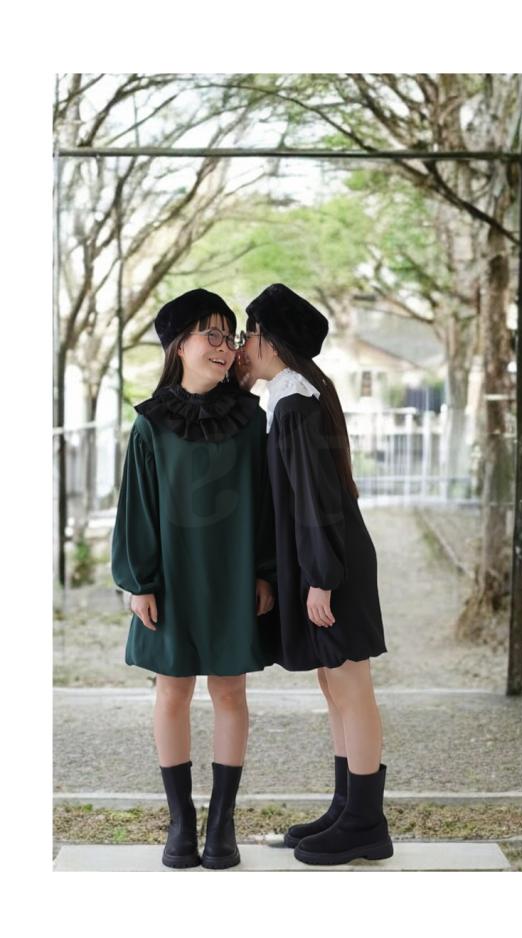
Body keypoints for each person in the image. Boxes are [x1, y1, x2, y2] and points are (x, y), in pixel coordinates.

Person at [111, 288, 277, 870]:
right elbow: (136, 507)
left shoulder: (251, 420)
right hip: (172, 578)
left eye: (230, 335)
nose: (225, 345)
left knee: (230, 691)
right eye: (211, 334)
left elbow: (267, 503)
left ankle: (222, 823)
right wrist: (139, 581)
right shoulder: (150, 425)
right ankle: (180, 821)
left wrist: (265, 572)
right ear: (178, 345)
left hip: (233, 575)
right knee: (172, 690)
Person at [234, 283, 393, 866]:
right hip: (322, 562)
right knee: (334, 684)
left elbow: (317, 499)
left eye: (247, 334)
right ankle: (346, 808)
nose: (240, 345)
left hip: (334, 566)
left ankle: (366, 823)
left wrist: (322, 578)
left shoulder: (296, 403)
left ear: (271, 341)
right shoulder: (289, 396)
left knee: (351, 686)